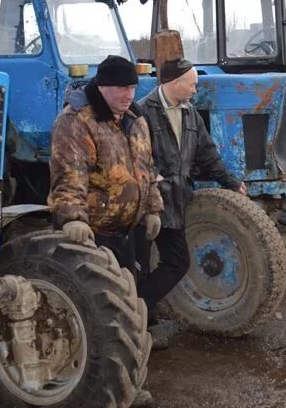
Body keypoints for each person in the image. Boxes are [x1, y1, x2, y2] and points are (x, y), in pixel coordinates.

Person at [137, 57, 247, 345]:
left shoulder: (190, 115)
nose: (195, 90)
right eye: (192, 84)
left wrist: (231, 182)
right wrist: (154, 179)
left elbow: (207, 154)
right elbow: (133, 157)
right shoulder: (142, 112)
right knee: (139, 262)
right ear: (174, 83)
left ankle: (136, 305)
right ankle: (140, 322)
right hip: (146, 202)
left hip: (175, 201)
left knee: (176, 262)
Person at [49, 54, 163, 272]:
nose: (129, 95)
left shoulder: (135, 119)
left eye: (132, 88)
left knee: (132, 293)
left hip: (127, 232)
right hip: (92, 235)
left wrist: (152, 208)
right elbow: (70, 172)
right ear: (102, 87)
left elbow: (146, 166)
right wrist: (73, 218)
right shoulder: (77, 121)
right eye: (122, 88)